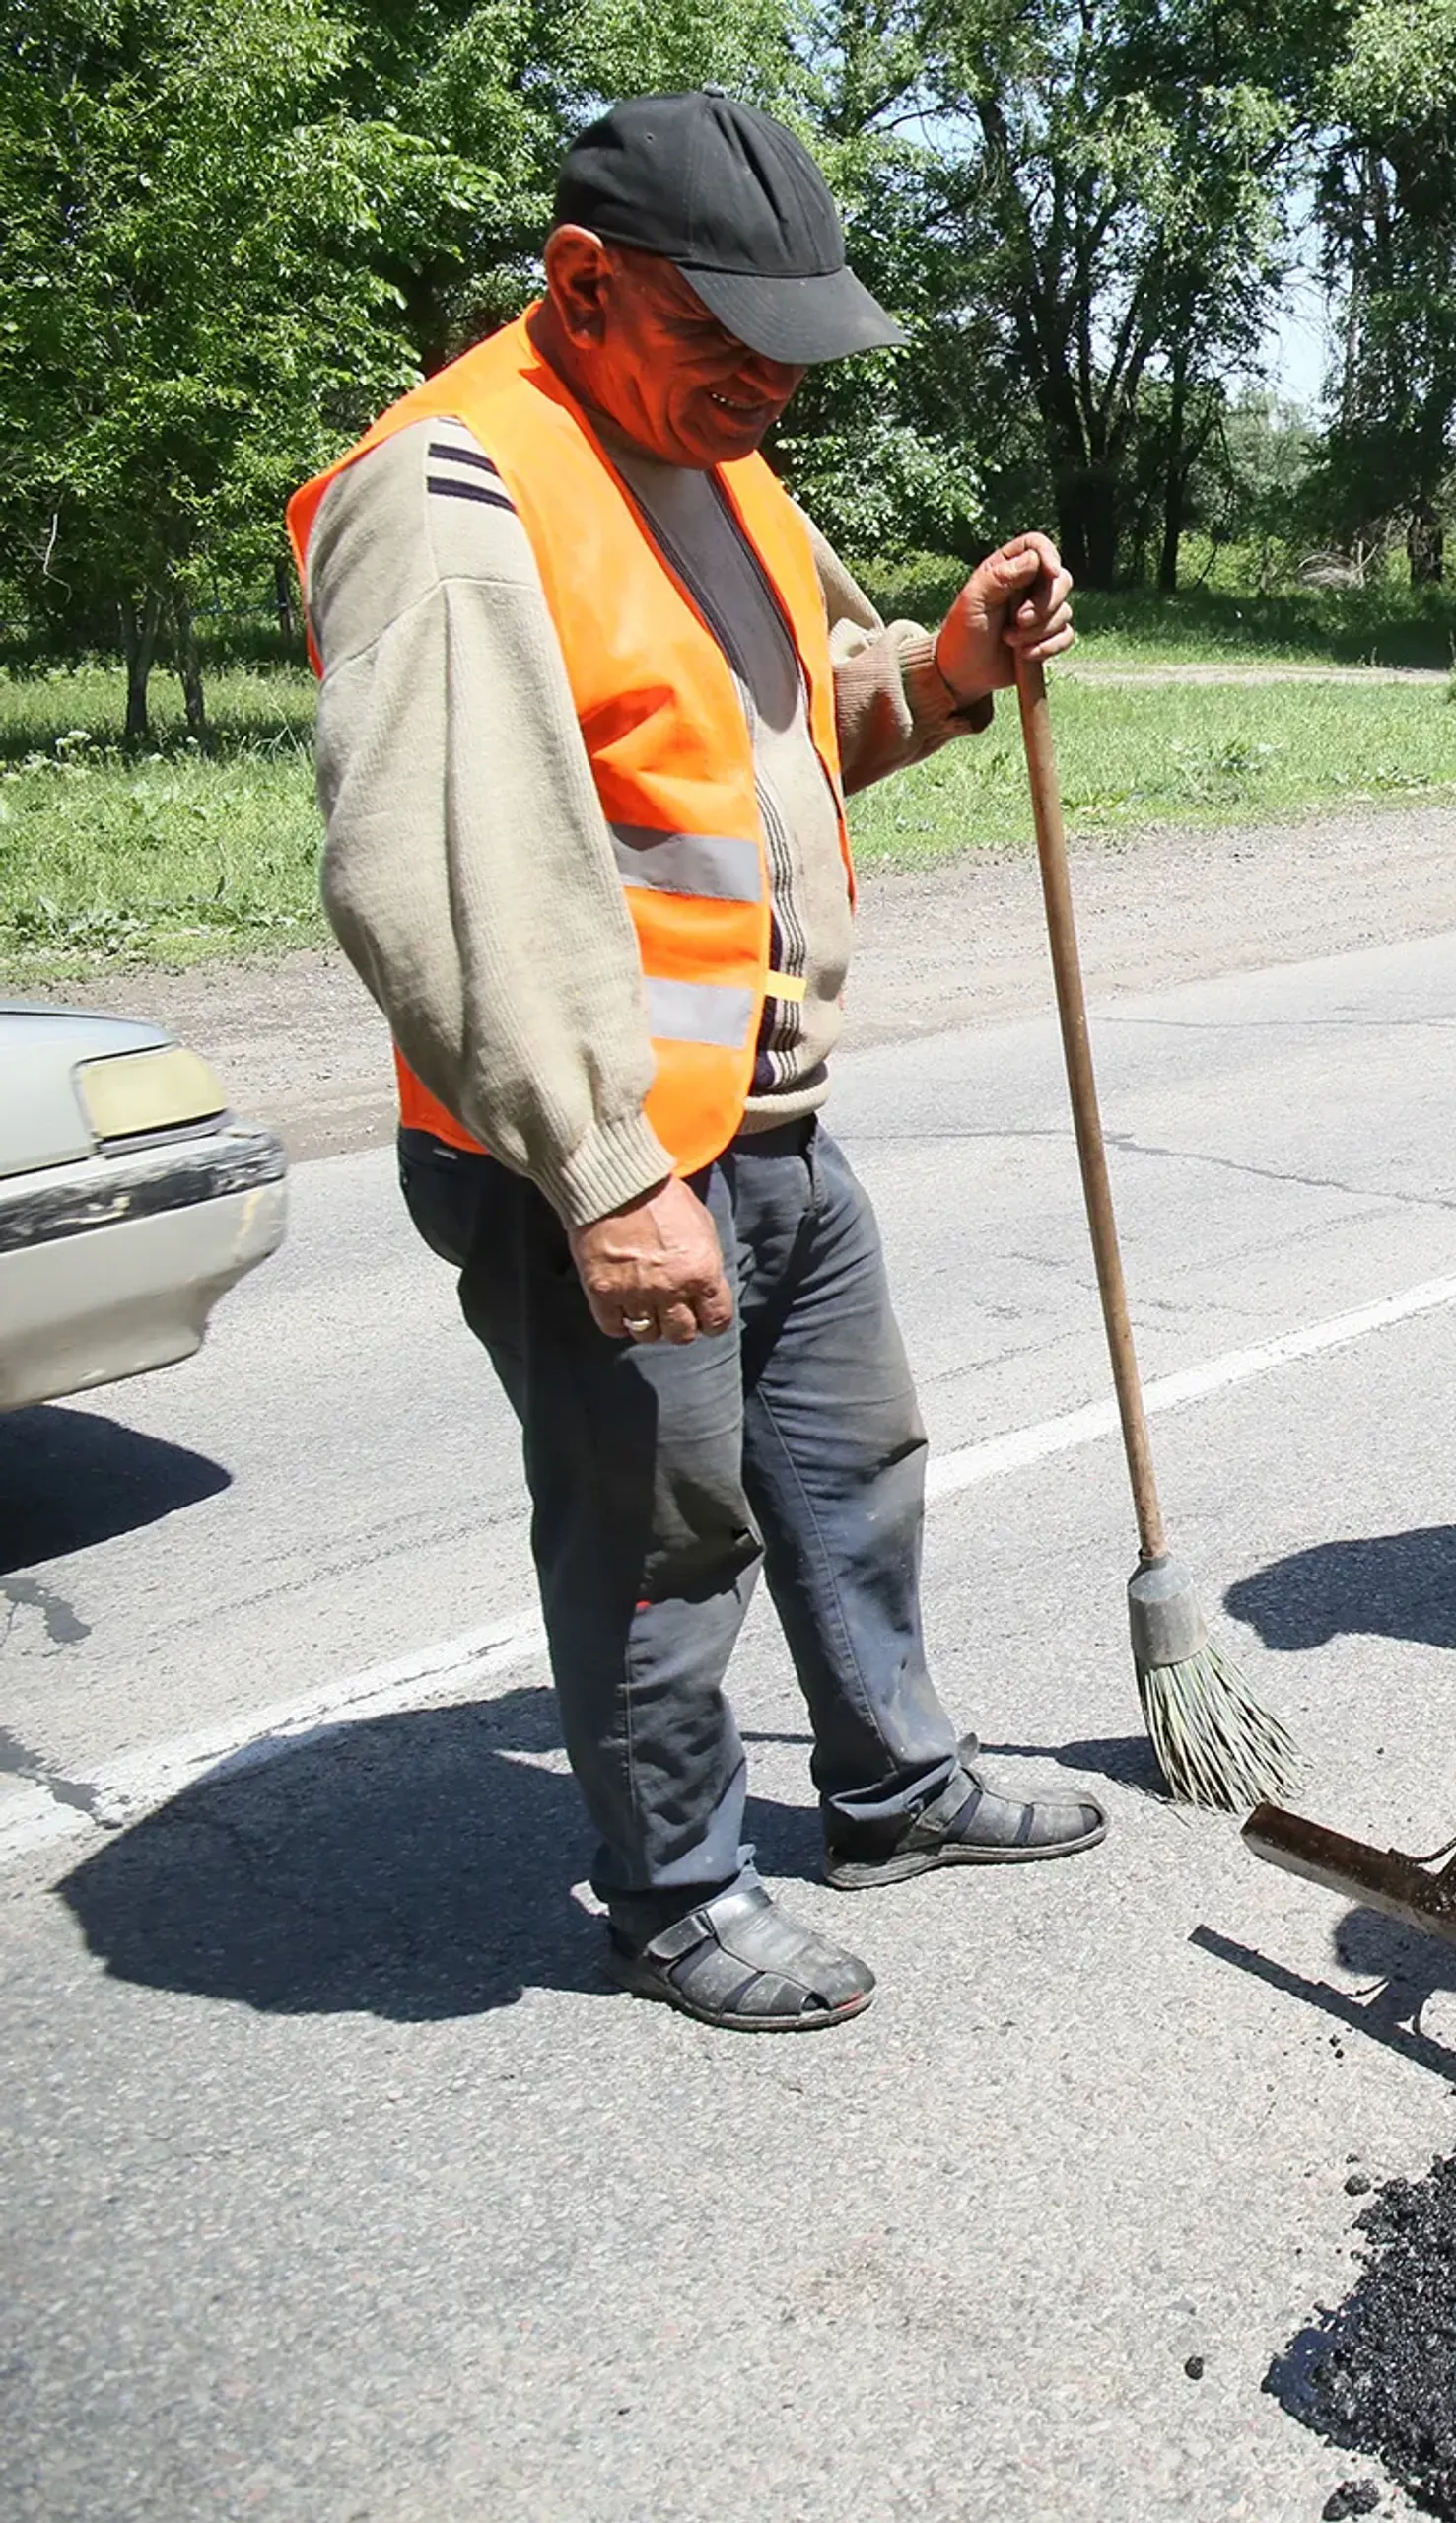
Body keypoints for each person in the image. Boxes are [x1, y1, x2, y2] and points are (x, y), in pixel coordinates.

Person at [292, 94, 1105, 2032]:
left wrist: (955, 666)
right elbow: (437, 871)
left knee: (852, 1467)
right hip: (605, 1170)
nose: (771, 385)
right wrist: (601, 1170)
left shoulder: (713, 460)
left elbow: (793, 724)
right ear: (582, 282)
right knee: (670, 1535)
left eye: (794, 346)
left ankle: (896, 1787)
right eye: (727, 335)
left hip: (770, 1126)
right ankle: (672, 1890)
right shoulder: (455, 490)